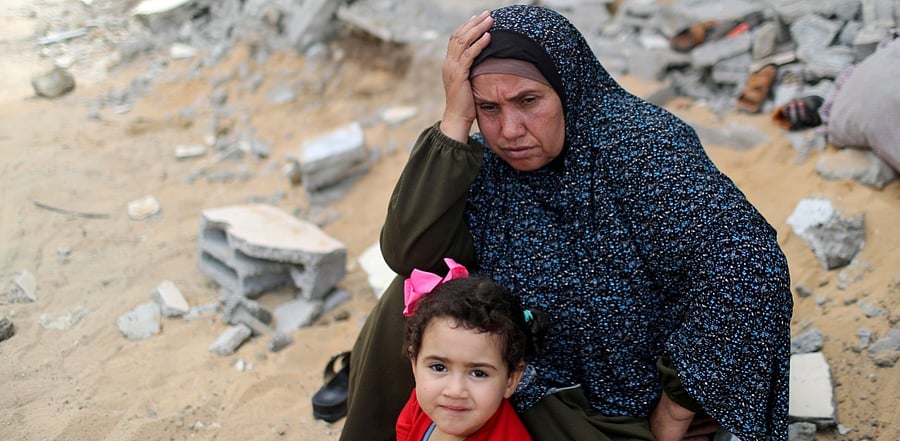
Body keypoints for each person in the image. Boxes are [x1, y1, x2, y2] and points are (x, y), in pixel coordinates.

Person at [341, 5, 792, 441]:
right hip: (510, 371)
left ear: (568, 87)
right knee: (411, 290)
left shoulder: (641, 149)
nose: (510, 130)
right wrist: (456, 119)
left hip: (614, 400)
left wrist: (676, 405)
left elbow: (751, 267)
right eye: (488, 108)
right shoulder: (491, 165)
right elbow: (411, 254)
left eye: (529, 101)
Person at [396, 258, 545, 441]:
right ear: (415, 364)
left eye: (478, 373)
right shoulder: (419, 407)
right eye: (439, 367)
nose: (454, 391)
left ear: (511, 380)